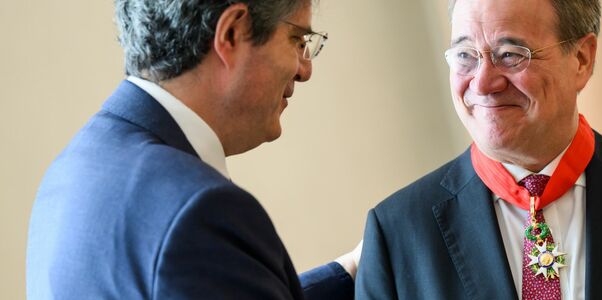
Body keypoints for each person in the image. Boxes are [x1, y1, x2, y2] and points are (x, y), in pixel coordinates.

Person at [355, 0, 602, 299]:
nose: (481, 83)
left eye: (510, 54)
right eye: (465, 56)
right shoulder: (397, 235)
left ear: (581, 59)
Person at [26, 0, 358, 299]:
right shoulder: (200, 210)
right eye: (297, 40)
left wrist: (353, 270)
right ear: (232, 33)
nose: (305, 70)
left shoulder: (73, 169)